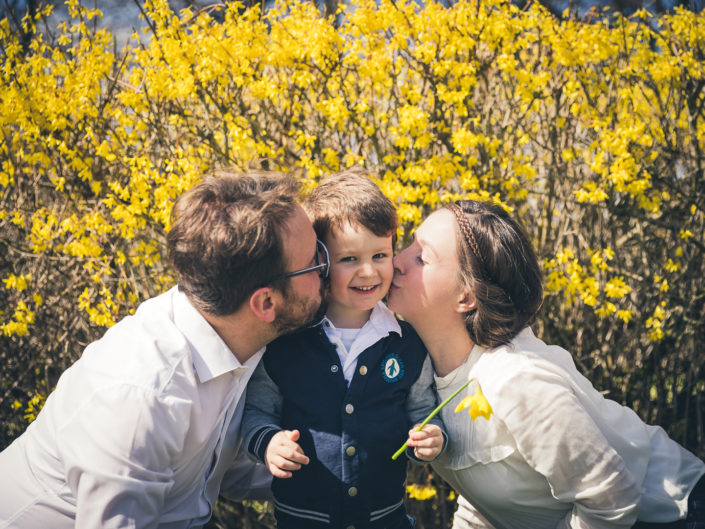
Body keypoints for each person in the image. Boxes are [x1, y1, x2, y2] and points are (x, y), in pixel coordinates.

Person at [0, 169, 329, 529]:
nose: (327, 271)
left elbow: (217, 468)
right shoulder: (143, 397)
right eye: (315, 261)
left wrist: (349, 478)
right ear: (266, 304)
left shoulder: (238, 337)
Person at [387, 200, 705, 529]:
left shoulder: (516, 378)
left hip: (680, 514)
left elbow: (610, 498)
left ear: (465, 297)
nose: (396, 261)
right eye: (409, 245)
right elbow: (490, 491)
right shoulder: (424, 376)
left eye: (421, 258)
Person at [241, 168, 446, 529]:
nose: (368, 272)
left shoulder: (406, 342)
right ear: (320, 262)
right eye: (349, 259)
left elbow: (422, 408)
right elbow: (257, 410)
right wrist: (269, 443)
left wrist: (431, 436)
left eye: (380, 255)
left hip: (386, 519)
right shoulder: (286, 340)